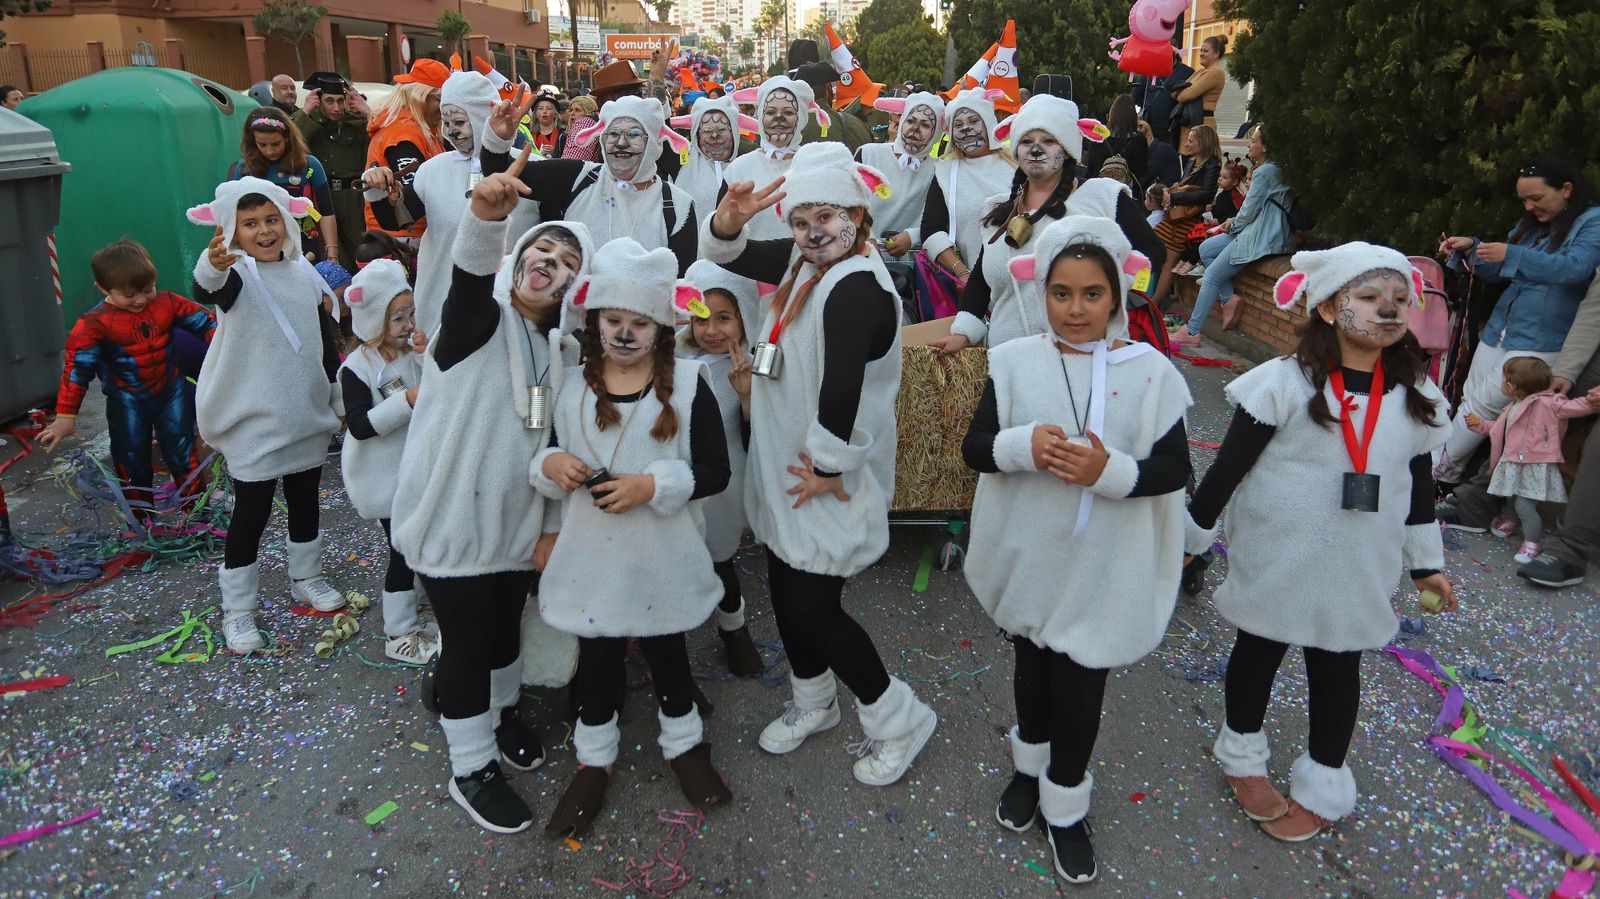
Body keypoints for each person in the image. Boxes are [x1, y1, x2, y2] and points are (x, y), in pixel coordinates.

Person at [1185, 243, 1458, 841]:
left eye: (1399, 299)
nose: (1388, 309)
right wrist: (1191, 537)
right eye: (1370, 297)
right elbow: (1228, 468)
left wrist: (1425, 566)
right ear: (1330, 308)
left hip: (1359, 563)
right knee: (1258, 652)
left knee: (1338, 669)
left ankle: (1324, 780)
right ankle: (1242, 756)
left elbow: (1418, 485)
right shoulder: (1284, 383)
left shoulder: (1415, 395)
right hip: (1279, 551)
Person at [700, 143, 939, 786]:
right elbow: (727, 253)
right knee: (786, 591)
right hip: (787, 468)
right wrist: (728, 220)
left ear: (857, 215)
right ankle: (815, 701)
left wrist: (830, 467)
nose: (811, 232)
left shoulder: (855, 285)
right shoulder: (805, 263)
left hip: (823, 477)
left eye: (826, 217)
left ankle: (898, 717)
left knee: (815, 609)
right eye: (801, 220)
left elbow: (842, 390)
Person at [962, 216, 1190, 882]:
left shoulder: (1150, 372)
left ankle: (1065, 800)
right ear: (1042, 292)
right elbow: (976, 448)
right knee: (1032, 671)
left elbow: (1174, 468)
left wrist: (1109, 470)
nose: (1076, 308)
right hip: (1031, 554)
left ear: (1117, 294)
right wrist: (1020, 445)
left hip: (1103, 567)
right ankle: (1027, 770)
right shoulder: (1013, 361)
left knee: (1083, 685)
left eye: (1093, 293)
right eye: (1061, 293)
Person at [389, 156, 589, 834]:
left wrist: (551, 524)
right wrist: (484, 218)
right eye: (542, 251)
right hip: (452, 519)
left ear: (575, 286)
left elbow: (557, 442)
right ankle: (469, 765)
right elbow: (469, 280)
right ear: (519, 258)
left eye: (567, 262)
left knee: (505, 630)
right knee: (470, 641)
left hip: (514, 522)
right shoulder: (478, 322)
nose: (550, 264)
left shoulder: (559, 353)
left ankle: (500, 716)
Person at [534, 240, 734, 836]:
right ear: (594, 320)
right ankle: (593, 760)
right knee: (598, 659)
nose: (624, 334)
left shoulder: (690, 384)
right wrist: (548, 466)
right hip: (592, 557)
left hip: (661, 555)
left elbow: (715, 472)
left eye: (639, 323)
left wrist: (652, 485)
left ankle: (685, 745)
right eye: (614, 320)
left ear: (661, 327)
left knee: (668, 652)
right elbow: (542, 452)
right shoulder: (570, 385)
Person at [186, 178, 347, 653]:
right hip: (254, 422)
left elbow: (324, 342)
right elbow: (208, 288)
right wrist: (213, 263)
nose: (264, 230)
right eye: (250, 223)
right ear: (231, 230)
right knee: (251, 514)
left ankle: (307, 577)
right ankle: (238, 609)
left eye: (272, 219)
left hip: (304, 415)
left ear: (288, 221)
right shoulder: (238, 274)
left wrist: (336, 396)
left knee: (305, 501)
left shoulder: (303, 274)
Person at [929, 95, 1153, 352]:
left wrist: (1113, 293)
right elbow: (982, 280)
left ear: (1067, 149)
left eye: (1048, 141)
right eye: (1026, 141)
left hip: (1084, 359)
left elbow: (1151, 253)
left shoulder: (1102, 198)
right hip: (1008, 359)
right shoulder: (997, 211)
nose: (1036, 150)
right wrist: (963, 333)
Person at [1435, 157, 1600, 482]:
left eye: (1536, 198)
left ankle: (1434, 474)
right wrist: (1471, 250)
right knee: (1471, 399)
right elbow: (1501, 271)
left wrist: (1511, 254)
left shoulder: (1593, 223)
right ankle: (1446, 477)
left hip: (1545, 338)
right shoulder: (1535, 225)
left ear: (1566, 189)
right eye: (1524, 200)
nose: (1529, 206)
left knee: (1482, 405)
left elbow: (1575, 268)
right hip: (1503, 328)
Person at [38, 240, 216, 516]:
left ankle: (198, 514)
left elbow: (208, 324)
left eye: (148, 289)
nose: (141, 300)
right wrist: (65, 417)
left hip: (171, 393)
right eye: (129, 294)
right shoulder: (93, 324)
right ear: (103, 288)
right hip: (127, 401)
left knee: (183, 455)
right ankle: (141, 521)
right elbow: (77, 370)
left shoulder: (166, 302)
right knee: (131, 460)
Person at [334, 259, 440, 663]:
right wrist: (406, 401)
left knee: (421, 542)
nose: (408, 324)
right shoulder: (357, 368)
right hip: (384, 478)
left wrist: (426, 356)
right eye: (397, 318)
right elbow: (360, 426)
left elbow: (437, 389)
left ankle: (419, 607)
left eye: (410, 314)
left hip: (415, 471)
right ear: (373, 321)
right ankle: (398, 632)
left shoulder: (410, 352)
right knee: (402, 550)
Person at [481, 88, 699, 275]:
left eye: (633, 134)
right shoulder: (577, 177)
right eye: (613, 134)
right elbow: (502, 175)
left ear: (652, 143)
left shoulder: (678, 206)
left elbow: (680, 285)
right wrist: (498, 139)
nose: (621, 143)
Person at [362, 71, 504, 337]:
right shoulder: (433, 169)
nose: (451, 131)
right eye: (446, 121)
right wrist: (376, 190)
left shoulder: (525, 166)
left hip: (502, 304)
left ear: (482, 116)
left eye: (459, 121)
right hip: (443, 300)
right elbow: (397, 218)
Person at [679, 259, 763, 675]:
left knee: (718, 559)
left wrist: (746, 398)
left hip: (724, 489)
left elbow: (760, 443)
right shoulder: (675, 361)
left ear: (744, 317)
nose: (711, 330)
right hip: (681, 482)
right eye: (700, 319)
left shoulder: (754, 367)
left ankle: (734, 628)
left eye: (724, 318)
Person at [1462, 357, 1597, 562]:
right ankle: (1512, 520)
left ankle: (1532, 543)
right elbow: (1499, 429)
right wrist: (1480, 425)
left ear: (1514, 386)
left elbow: (1574, 407)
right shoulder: (1514, 405)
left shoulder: (1549, 404)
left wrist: (1590, 401)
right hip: (1514, 462)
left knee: (1525, 506)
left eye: (1505, 379)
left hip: (1534, 465)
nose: (1502, 383)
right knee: (1511, 497)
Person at [1171, 125, 1293, 348]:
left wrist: (1233, 225)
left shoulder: (1265, 172)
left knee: (1211, 277)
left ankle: (1192, 331)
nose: (1249, 144)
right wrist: (1234, 222)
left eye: (1253, 141)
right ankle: (1228, 298)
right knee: (1206, 249)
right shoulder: (1275, 169)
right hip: (1259, 230)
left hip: (1262, 235)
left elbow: (1249, 210)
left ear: (1265, 147)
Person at [919, 87, 1016, 286]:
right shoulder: (944, 172)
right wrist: (961, 272)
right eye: (958, 124)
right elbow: (931, 229)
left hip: (1024, 280)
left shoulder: (1017, 164)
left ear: (988, 123)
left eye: (973, 121)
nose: (965, 128)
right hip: (976, 286)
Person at [718, 75, 831, 240]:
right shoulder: (738, 168)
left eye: (788, 112)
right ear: (761, 117)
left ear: (801, 119)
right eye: (770, 112)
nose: (779, 117)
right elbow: (720, 231)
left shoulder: (815, 165)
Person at [230, 108, 339, 264]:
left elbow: (326, 211)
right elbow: (235, 216)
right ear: (253, 141)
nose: (269, 151)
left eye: (276, 144)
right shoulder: (244, 169)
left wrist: (332, 253)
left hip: (305, 247)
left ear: (287, 138)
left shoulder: (310, 165)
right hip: (263, 247)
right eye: (262, 145)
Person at [293, 71, 371, 271]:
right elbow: (288, 142)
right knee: (331, 254)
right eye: (329, 101)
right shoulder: (309, 122)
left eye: (340, 101)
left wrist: (368, 112)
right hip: (324, 196)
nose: (336, 108)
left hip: (354, 197)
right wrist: (305, 111)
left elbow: (381, 137)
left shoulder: (357, 122)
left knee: (363, 249)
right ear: (318, 101)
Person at [364, 60, 448, 240]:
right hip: (402, 237)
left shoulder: (418, 129)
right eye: (440, 99)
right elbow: (416, 197)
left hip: (406, 234)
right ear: (420, 96)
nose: (444, 108)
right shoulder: (404, 132)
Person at [859, 92, 946, 256]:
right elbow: (848, 202)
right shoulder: (868, 154)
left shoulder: (938, 170)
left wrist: (912, 236)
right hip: (862, 253)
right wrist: (866, 236)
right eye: (911, 121)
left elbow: (940, 220)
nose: (915, 128)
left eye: (925, 125)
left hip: (908, 262)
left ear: (936, 133)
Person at [1150, 124, 1222, 306]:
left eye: (1190, 141)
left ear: (1202, 143)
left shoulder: (1212, 164)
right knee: (1153, 249)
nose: (1186, 144)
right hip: (1176, 216)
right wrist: (1178, 188)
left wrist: (1175, 196)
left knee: (1168, 262)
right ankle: (1150, 295)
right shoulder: (1192, 161)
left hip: (1188, 219)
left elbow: (1206, 194)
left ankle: (1153, 304)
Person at [563, 61, 646, 161]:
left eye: (641, 93)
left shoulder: (640, 122)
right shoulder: (588, 123)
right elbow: (572, 166)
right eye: (636, 94)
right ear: (612, 98)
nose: (641, 98)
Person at [1081, 95, 1148, 194]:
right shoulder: (1139, 140)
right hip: (1127, 194)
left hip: (1098, 192)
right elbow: (1143, 173)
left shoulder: (1098, 138)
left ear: (1112, 113)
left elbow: (1091, 169)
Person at [1172, 36, 1227, 147]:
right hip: (1189, 124)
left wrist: (1182, 92)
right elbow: (1174, 92)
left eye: (1205, 51)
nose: (1201, 54)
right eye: (1201, 50)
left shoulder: (1215, 72)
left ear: (1216, 54)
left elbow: (1185, 95)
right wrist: (1181, 91)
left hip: (1203, 124)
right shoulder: (1200, 72)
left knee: (1198, 155)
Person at [1131, 60, 1192, 147]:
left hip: (1167, 127)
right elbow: (1136, 95)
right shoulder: (1186, 71)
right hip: (1163, 127)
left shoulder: (1187, 72)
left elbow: (1135, 95)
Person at [1137, 120, 1181, 189]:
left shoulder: (1162, 150)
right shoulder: (1159, 148)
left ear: (1148, 135)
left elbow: (1143, 180)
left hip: (1167, 191)